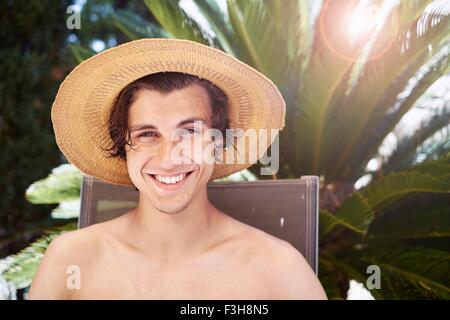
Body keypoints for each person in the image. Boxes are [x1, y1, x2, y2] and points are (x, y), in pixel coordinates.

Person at [29, 38, 327, 300]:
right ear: (123, 147)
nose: (169, 157)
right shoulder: (70, 261)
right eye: (147, 134)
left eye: (189, 131)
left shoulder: (278, 270)